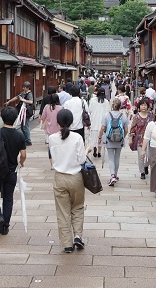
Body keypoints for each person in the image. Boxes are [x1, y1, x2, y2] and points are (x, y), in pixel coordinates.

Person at [49, 109, 88, 254]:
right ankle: (78, 235)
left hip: (59, 177)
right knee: (77, 207)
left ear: (58, 122)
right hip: (76, 177)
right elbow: (82, 160)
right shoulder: (77, 137)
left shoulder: (52, 138)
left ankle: (67, 243)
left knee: (62, 211)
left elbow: (53, 156)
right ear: (72, 121)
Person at [0, 106, 26, 236]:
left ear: (2, 117)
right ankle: (5, 227)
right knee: (8, 198)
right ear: (15, 119)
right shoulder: (19, 135)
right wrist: (21, 163)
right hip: (11, 171)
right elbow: (23, 154)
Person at [98, 98, 130, 186]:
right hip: (119, 141)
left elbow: (103, 128)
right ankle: (115, 175)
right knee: (117, 158)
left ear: (112, 105)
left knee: (111, 158)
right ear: (120, 106)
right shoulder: (123, 116)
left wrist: (100, 137)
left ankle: (112, 175)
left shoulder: (107, 115)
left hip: (109, 140)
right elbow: (126, 130)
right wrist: (122, 137)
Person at [128, 98, 152, 179]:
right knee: (141, 156)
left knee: (150, 156)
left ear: (148, 106)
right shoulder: (136, 117)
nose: (144, 107)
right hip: (140, 139)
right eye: (142, 105)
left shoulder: (151, 116)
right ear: (139, 107)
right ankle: (142, 172)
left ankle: (146, 166)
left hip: (150, 140)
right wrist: (131, 138)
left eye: (145, 105)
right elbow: (132, 128)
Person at [4, 81, 33, 146]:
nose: (23, 88)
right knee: (23, 126)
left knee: (25, 126)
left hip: (26, 112)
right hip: (22, 111)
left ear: (27, 88)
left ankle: (28, 140)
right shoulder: (23, 93)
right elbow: (16, 97)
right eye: (23, 87)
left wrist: (22, 100)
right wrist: (9, 101)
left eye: (24, 87)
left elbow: (31, 102)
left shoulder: (29, 94)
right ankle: (25, 139)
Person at [41, 93, 62, 169]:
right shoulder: (60, 108)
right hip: (59, 130)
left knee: (50, 147)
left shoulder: (47, 107)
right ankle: (58, 161)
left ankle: (52, 164)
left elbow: (43, 117)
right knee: (58, 146)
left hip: (49, 130)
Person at [88, 87, 110, 157]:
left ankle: (95, 147)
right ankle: (99, 151)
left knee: (94, 137)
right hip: (103, 123)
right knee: (101, 137)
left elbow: (90, 110)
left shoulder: (92, 100)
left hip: (94, 121)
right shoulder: (106, 102)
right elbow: (108, 113)